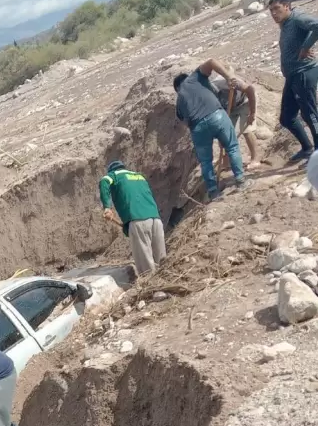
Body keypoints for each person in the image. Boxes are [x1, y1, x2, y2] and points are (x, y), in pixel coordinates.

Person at [174, 58, 248, 200]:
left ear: (177, 88)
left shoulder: (179, 102)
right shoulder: (194, 78)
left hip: (197, 127)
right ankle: (240, 181)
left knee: (206, 161)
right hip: (216, 115)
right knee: (232, 147)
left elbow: (184, 123)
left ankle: (213, 192)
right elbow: (211, 61)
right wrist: (229, 76)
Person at [268, 0, 318, 164]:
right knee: (287, 117)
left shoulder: (297, 18)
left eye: (277, 8)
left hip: (304, 72)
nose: (274, 13)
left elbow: (317, 25)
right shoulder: (285, 24)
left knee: (310, 114)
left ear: (287, 6)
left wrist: (306, 47)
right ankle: (307, 148)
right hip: (292, 76)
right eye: (271, 10)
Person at [99, 161, 166, 276]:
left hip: (138, 220)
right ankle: (166, 279)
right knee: (161, 257)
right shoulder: (138, 176)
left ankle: (153, 288)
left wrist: (107, 208)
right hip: (156, 219)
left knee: (145, 261)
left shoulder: (114, 175)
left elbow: (104, 181)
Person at [210, 73, 261, 169]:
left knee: (246, 130)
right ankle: (226, 161)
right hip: (230, 106)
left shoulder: (224, 82)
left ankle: (255, 159)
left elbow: (250, 90)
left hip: (246, 101)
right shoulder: (209, 97)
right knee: (224, 132)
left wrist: (252, 113)